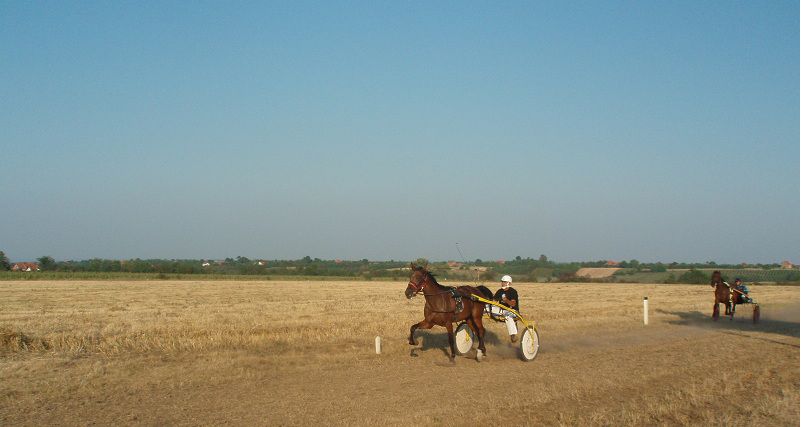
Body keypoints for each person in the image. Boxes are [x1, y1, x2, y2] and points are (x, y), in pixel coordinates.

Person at [489, 275, 520, 342]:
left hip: (513, 311)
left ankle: (513, 335)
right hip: (502, 310)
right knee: (488, 308)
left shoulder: (513, 291)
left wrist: (506, 300)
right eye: (502, 282)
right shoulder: (500, 291)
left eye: (504, 282)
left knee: (507, 316)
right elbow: (493, 301)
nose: (502, 283)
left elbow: (513, 304)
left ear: (509, 283)